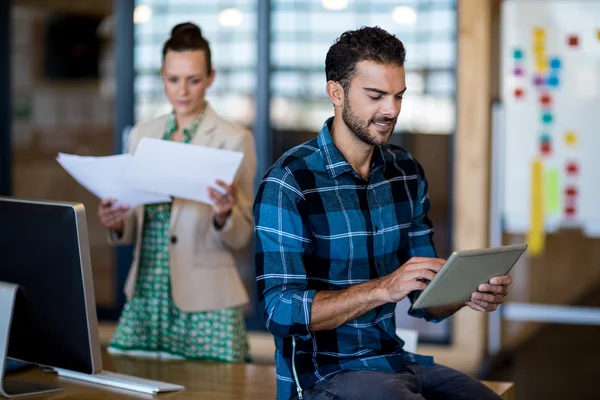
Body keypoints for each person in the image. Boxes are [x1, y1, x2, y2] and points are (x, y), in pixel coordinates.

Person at [254, 26, 511, 400]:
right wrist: (383, 288)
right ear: (336, 93)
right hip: (323, 375)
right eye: (375, 95)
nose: (391, 110)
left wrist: (466, 292)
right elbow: (279, 311)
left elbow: (427, 303)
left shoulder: (405, 172)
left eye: (398, 96)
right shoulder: (290, 180)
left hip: (395, 360)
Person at [98, 22, 256, 362]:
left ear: (211, 77)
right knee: (135, 382)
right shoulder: (142, 134)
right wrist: (117, 222)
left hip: (207, 300)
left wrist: (224, 214)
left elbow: (242, 236)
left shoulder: (234, 138)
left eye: (193, 79)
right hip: (146, 291)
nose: (182, 91)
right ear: (162, 76)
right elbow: (136, 223)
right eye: (173, 79)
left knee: (215, 392)